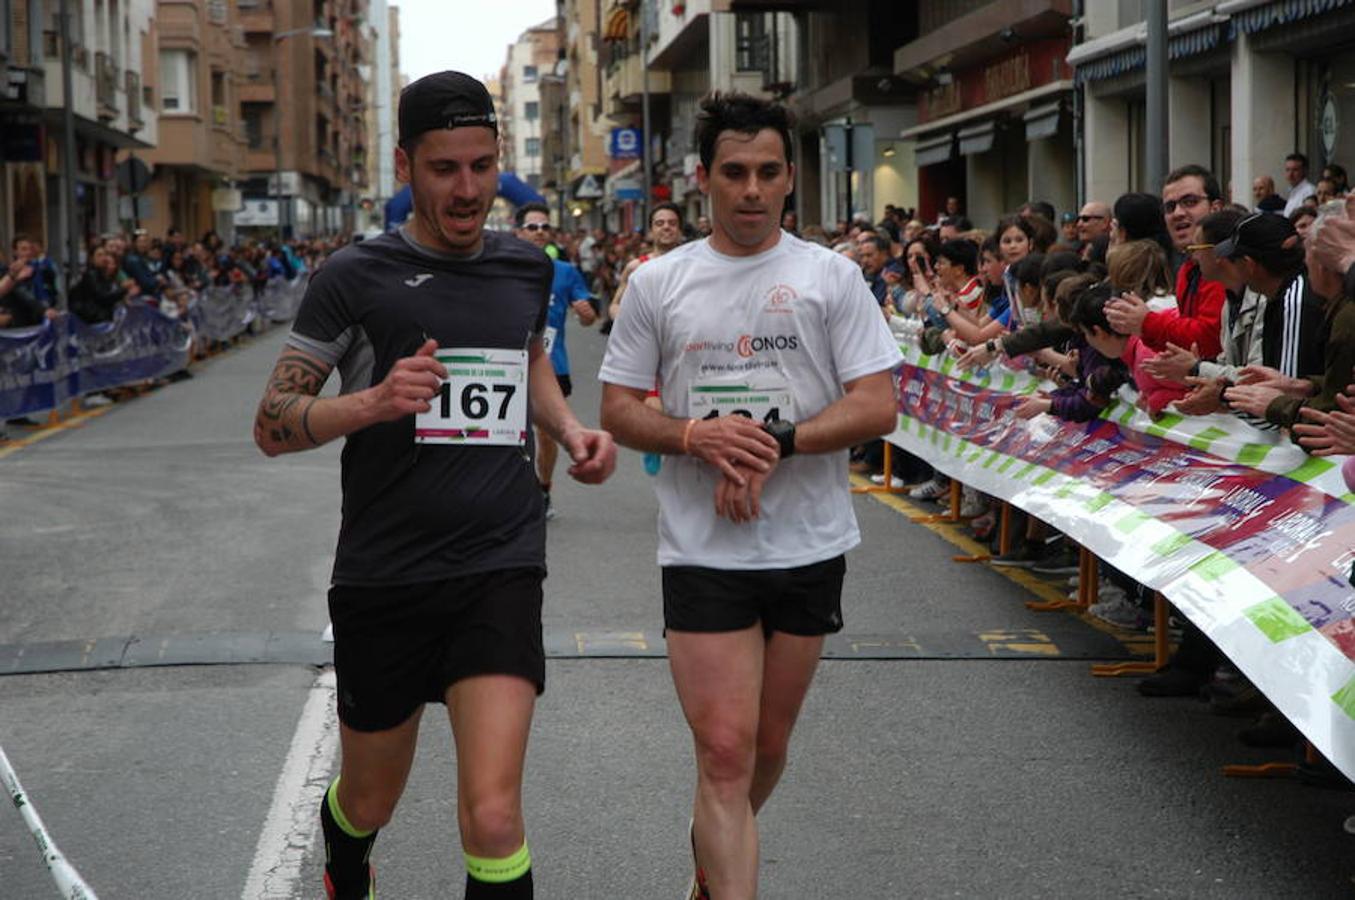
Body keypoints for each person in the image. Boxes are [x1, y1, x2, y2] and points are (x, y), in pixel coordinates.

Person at [252, 70, 616, 900]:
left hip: (498, 561)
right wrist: (373, 402)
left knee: (493, 816)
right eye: (444, 169)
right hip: (386, 572)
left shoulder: (525, 269)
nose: (467, 189)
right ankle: (347, 862)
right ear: (406, 167)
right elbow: (271, 423)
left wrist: (569, 431)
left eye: (482, 167)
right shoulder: (353, 275)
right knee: (369, 795)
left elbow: (524, 359)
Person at [598, 91, 901, 900]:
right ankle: (726, 862)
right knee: (725, 753)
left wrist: (774, 443)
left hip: (807, 541)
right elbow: (619, 409)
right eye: (733, 173)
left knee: (767, 746)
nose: (751, 190)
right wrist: (697, 437)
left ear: (790, 177)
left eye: (768, 172)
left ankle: (713, 856)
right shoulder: (659, 283)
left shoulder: (830, 277)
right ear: (702, 178)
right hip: (702, 549)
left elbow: (877, 404)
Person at [514, 202, 598, 518]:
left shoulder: (565, 272)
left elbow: (588, 315)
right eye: (532, 227)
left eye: (545, 227)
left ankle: (544, 488)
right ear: (518, 232)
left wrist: (588, 314)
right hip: (509, 363)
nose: (540, 232)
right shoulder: (502, 268)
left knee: (546, 435)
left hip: (552, 365)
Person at [1106, 165, 1227, 362]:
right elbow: (1187, 348)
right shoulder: (1187, 270)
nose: (1178, 213)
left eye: (1190, 202)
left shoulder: (1224, 262)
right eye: (1170, 207)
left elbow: (1211, 338)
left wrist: (1147, 322)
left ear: (1216, 207)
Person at [609, 201, 684, 321]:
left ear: (680, 230)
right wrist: (625, 324)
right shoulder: (636, 267)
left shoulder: (692, 265)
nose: (666, 227)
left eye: (672, 223)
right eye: (659, 223)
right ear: (651, 231)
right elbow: (615, 305)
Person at [1283, 152, 1317, 216]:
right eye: (1287, 170)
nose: (1290, 174)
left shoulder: (1309, 191)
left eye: (1295, 170)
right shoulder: (1293, 191)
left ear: (1304, 171)